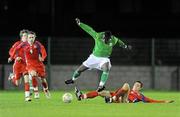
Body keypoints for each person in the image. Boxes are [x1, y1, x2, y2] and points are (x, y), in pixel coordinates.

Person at [65, 18, 131, 92]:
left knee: (106, 68)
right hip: (94, 57)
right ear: (104, 36)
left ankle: (101, 86)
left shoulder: (113, 39)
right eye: (106, 38)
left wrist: (125, 46)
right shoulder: (98, 36)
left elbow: (119, 41)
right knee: (80, 70)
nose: (107, 40)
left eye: (108, 39)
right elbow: (89, 30)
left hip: (104, 59)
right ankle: (72, 79)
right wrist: (80, 24)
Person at [12, 31, 50, 101]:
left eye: (32, 37)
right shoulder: (23, 44)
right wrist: (13, 57)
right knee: (33, 74)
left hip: (39, 64)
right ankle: (36, 92)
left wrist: (43, 57)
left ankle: (46, 89)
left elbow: (43, 50)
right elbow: (16, 49)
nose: (31, 39)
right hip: (30, 64)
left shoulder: (37, 44)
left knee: (43, 79)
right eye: (29, 37)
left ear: (35, 37)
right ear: (28, 38)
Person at [8, 29, 32, 101]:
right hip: (18, 65)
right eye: (24, 36)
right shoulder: (17, 44)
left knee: (26, 80)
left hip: (25, 65)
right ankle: (12, 76)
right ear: (21, 37)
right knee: (17, 83)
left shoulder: (30, 45)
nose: (26, 37)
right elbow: (11, 52)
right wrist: (15, 57)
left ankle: (27, 97)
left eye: (27, 36)